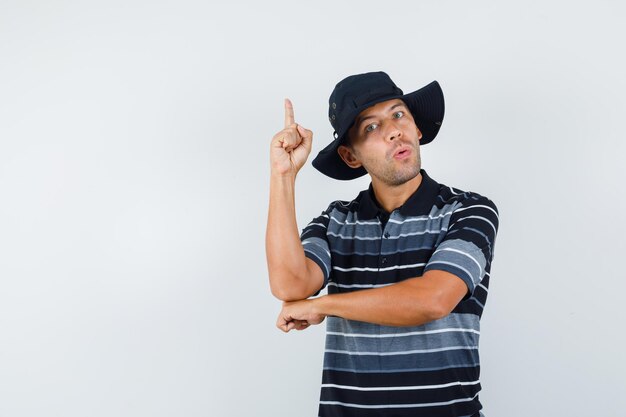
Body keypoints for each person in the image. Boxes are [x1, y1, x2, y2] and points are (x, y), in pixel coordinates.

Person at [266, 71, 499, 417]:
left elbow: (433, 299)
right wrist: (282, 176)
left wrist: (323, 305)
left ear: (417, 129)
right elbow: (289, 284)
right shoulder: (336, 221)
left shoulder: (468, 210)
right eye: (371, 127)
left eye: (398, 114)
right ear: (350, 157)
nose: (393, 130)